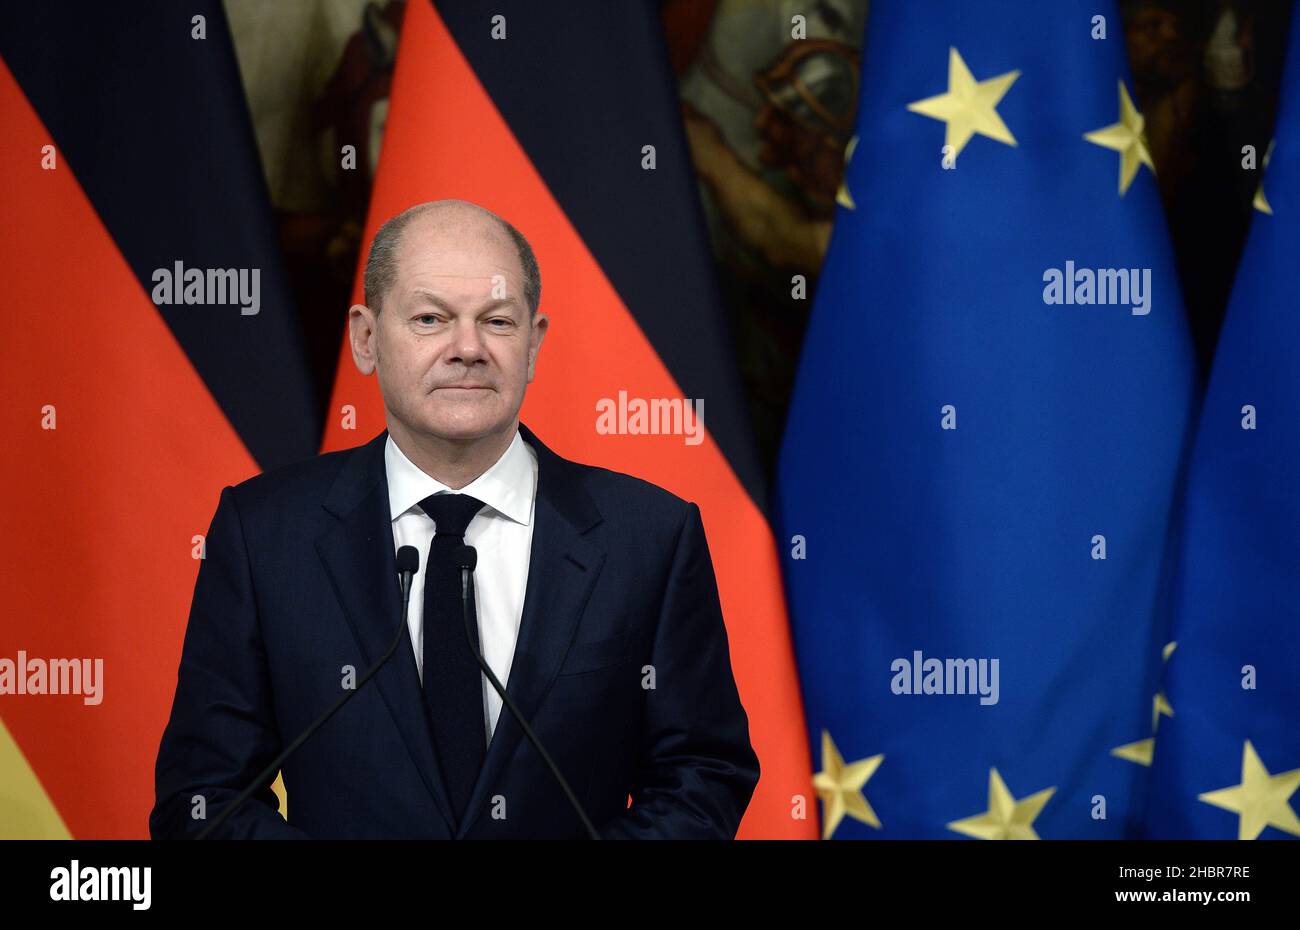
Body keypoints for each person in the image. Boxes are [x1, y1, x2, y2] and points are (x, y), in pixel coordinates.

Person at [150, 199, 759, 839]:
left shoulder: (651, 537)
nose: (467, 348)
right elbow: (203, 799)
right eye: (430, 319)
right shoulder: (264, 534)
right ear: (366, 338)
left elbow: (703, 776)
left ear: (533, 344)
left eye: (497, 321)